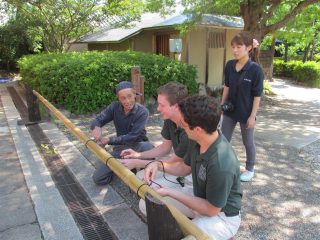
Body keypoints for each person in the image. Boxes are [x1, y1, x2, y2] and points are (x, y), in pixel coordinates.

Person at [143, 95, 242, 240]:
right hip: (199, 199)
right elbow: (184, 167)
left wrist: (170, 192)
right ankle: (188, 226)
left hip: (222, 217)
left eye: (183, 124)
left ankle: (217, 234)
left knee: (188, 235)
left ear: (198, 129)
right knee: (146, 205)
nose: (181, 126)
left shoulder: (221, 163)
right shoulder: (199, 140)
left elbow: (211, 209)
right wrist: (157, 165)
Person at [119, 82, 190, 188]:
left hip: (191, 174)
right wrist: (137, 155)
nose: (158, 109)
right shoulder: (170, 118)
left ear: (175, 107)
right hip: (178, 166)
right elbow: (165, 147)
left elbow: (174, 162)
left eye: (162, 105)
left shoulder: (190, 129)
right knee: (140, 176)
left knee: (149, 185)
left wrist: (137, 162)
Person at [220, 31, 264, 182]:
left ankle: (250, 169)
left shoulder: (255, 70)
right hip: (230, 111)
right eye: (233, 46)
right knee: (223, 139)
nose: (235, 50)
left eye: (239, 46)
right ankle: (224, 165)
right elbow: (227, 86)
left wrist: (252, 116)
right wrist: (221, 106)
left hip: (246, 113)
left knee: (248, 142)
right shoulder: (230, 65)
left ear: (249, 48)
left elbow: (257, 95)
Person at [90, 81, 153, 185]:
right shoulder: (114, 107)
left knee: (148, 147)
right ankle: (121, 168)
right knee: (98, 179)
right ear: (118, 99)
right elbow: (98, 120)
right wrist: (96, 128)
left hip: (137, 146)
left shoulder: (143, 111)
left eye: (129, 96)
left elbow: (134, 136)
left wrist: (109, 140)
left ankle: (142, 173)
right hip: (121, 148)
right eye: (123, 98)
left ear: (135, 95)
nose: (127, 101)